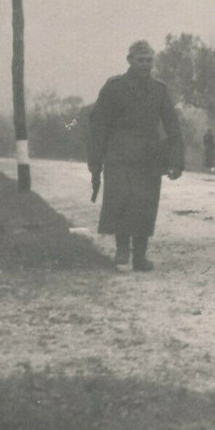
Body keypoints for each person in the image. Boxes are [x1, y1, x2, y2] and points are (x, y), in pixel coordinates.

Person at [88, 40, 184, 271]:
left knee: (145, 204)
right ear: (130, 60)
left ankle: (140, 256)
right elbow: (98, 124)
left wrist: (176, 160)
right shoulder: (114, 87)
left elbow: (172, 125)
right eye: (141, 60)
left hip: (149, 156)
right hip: (118, 154)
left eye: (149, 60)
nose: (145, 65)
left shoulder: (159, 90)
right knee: (121, 200)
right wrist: (95, 161)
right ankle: (122, 251)